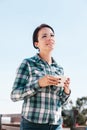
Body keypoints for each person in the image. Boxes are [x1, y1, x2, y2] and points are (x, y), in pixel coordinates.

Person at [10, 23, 71, 130]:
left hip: (56, 125)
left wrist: (66, 91)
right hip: (32, 125)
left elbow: (60, 101)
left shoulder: (59, 69)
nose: (50, 38)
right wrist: (39, 84)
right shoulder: (28, 63)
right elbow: (14, 95)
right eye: (44, 36)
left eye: (52, 35)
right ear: (36, 44)